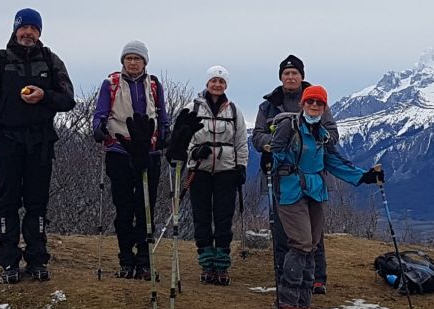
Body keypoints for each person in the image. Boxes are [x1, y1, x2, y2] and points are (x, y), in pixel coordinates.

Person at [0, 8, 76, 283]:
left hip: (40, 143)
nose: (28, 33)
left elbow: (68, 100)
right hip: (9, 142)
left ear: (39, 32)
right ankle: (8, 262)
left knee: (37, 204)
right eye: (24, 28)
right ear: (15, 29)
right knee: (7, 204)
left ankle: (37, 259)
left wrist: (45, 96)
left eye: (34, 28)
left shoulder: (51, 61)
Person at [265, 85, 385, 309]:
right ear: (303, 104)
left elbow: (334, 162)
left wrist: (364, 176)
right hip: (290, 191)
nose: (314, 106)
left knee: (312, 246)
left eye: (319, 103)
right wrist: (269, 162)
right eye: (311, 102)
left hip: (316, 192)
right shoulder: (288, 127)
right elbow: (275, 154)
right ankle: (287, 299)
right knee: (301, 243)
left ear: (324, 107)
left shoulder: (322, 134)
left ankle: (303, 301)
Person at [250, 54, 337, 294]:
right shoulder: (268, 105)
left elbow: (332, 135)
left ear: (302, 76)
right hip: (280, 175)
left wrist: (303, 142)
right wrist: (282, 143)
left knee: (312, 231)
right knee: (281, 228)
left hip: (312, 176)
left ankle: (317, 278)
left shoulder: (316, 101)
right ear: (281, 77)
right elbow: (257, 136)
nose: (290, 77)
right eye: (286, 74)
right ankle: (284, 273)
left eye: (294, 73)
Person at [91, 40, 172, 279]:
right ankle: (126, 259)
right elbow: (100, 113)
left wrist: (166, 133)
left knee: (146, 208)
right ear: (123, 61)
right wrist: (99, 129)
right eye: (129, 58)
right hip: (119, 150)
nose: (133, 62)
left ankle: (144, 260)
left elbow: (162, 113)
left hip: (149, 151)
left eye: (137, 58)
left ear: (145, 61)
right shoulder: (111, 84)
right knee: (124, 208)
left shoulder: (154, 84)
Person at [179, 66, 248, 285]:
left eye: (221, 81)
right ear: (207, 83)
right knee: (201, 217)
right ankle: (206, 263)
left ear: (226, 85)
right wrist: (193, 153)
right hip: (199, 170)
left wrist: (242, 166)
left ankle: (222, 265)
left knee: (223, 218)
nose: (217, 85)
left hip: (227, 170)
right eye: (213, 81)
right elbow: (183, 136)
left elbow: (240, 141)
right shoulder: (192, 107)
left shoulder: (234, 111)